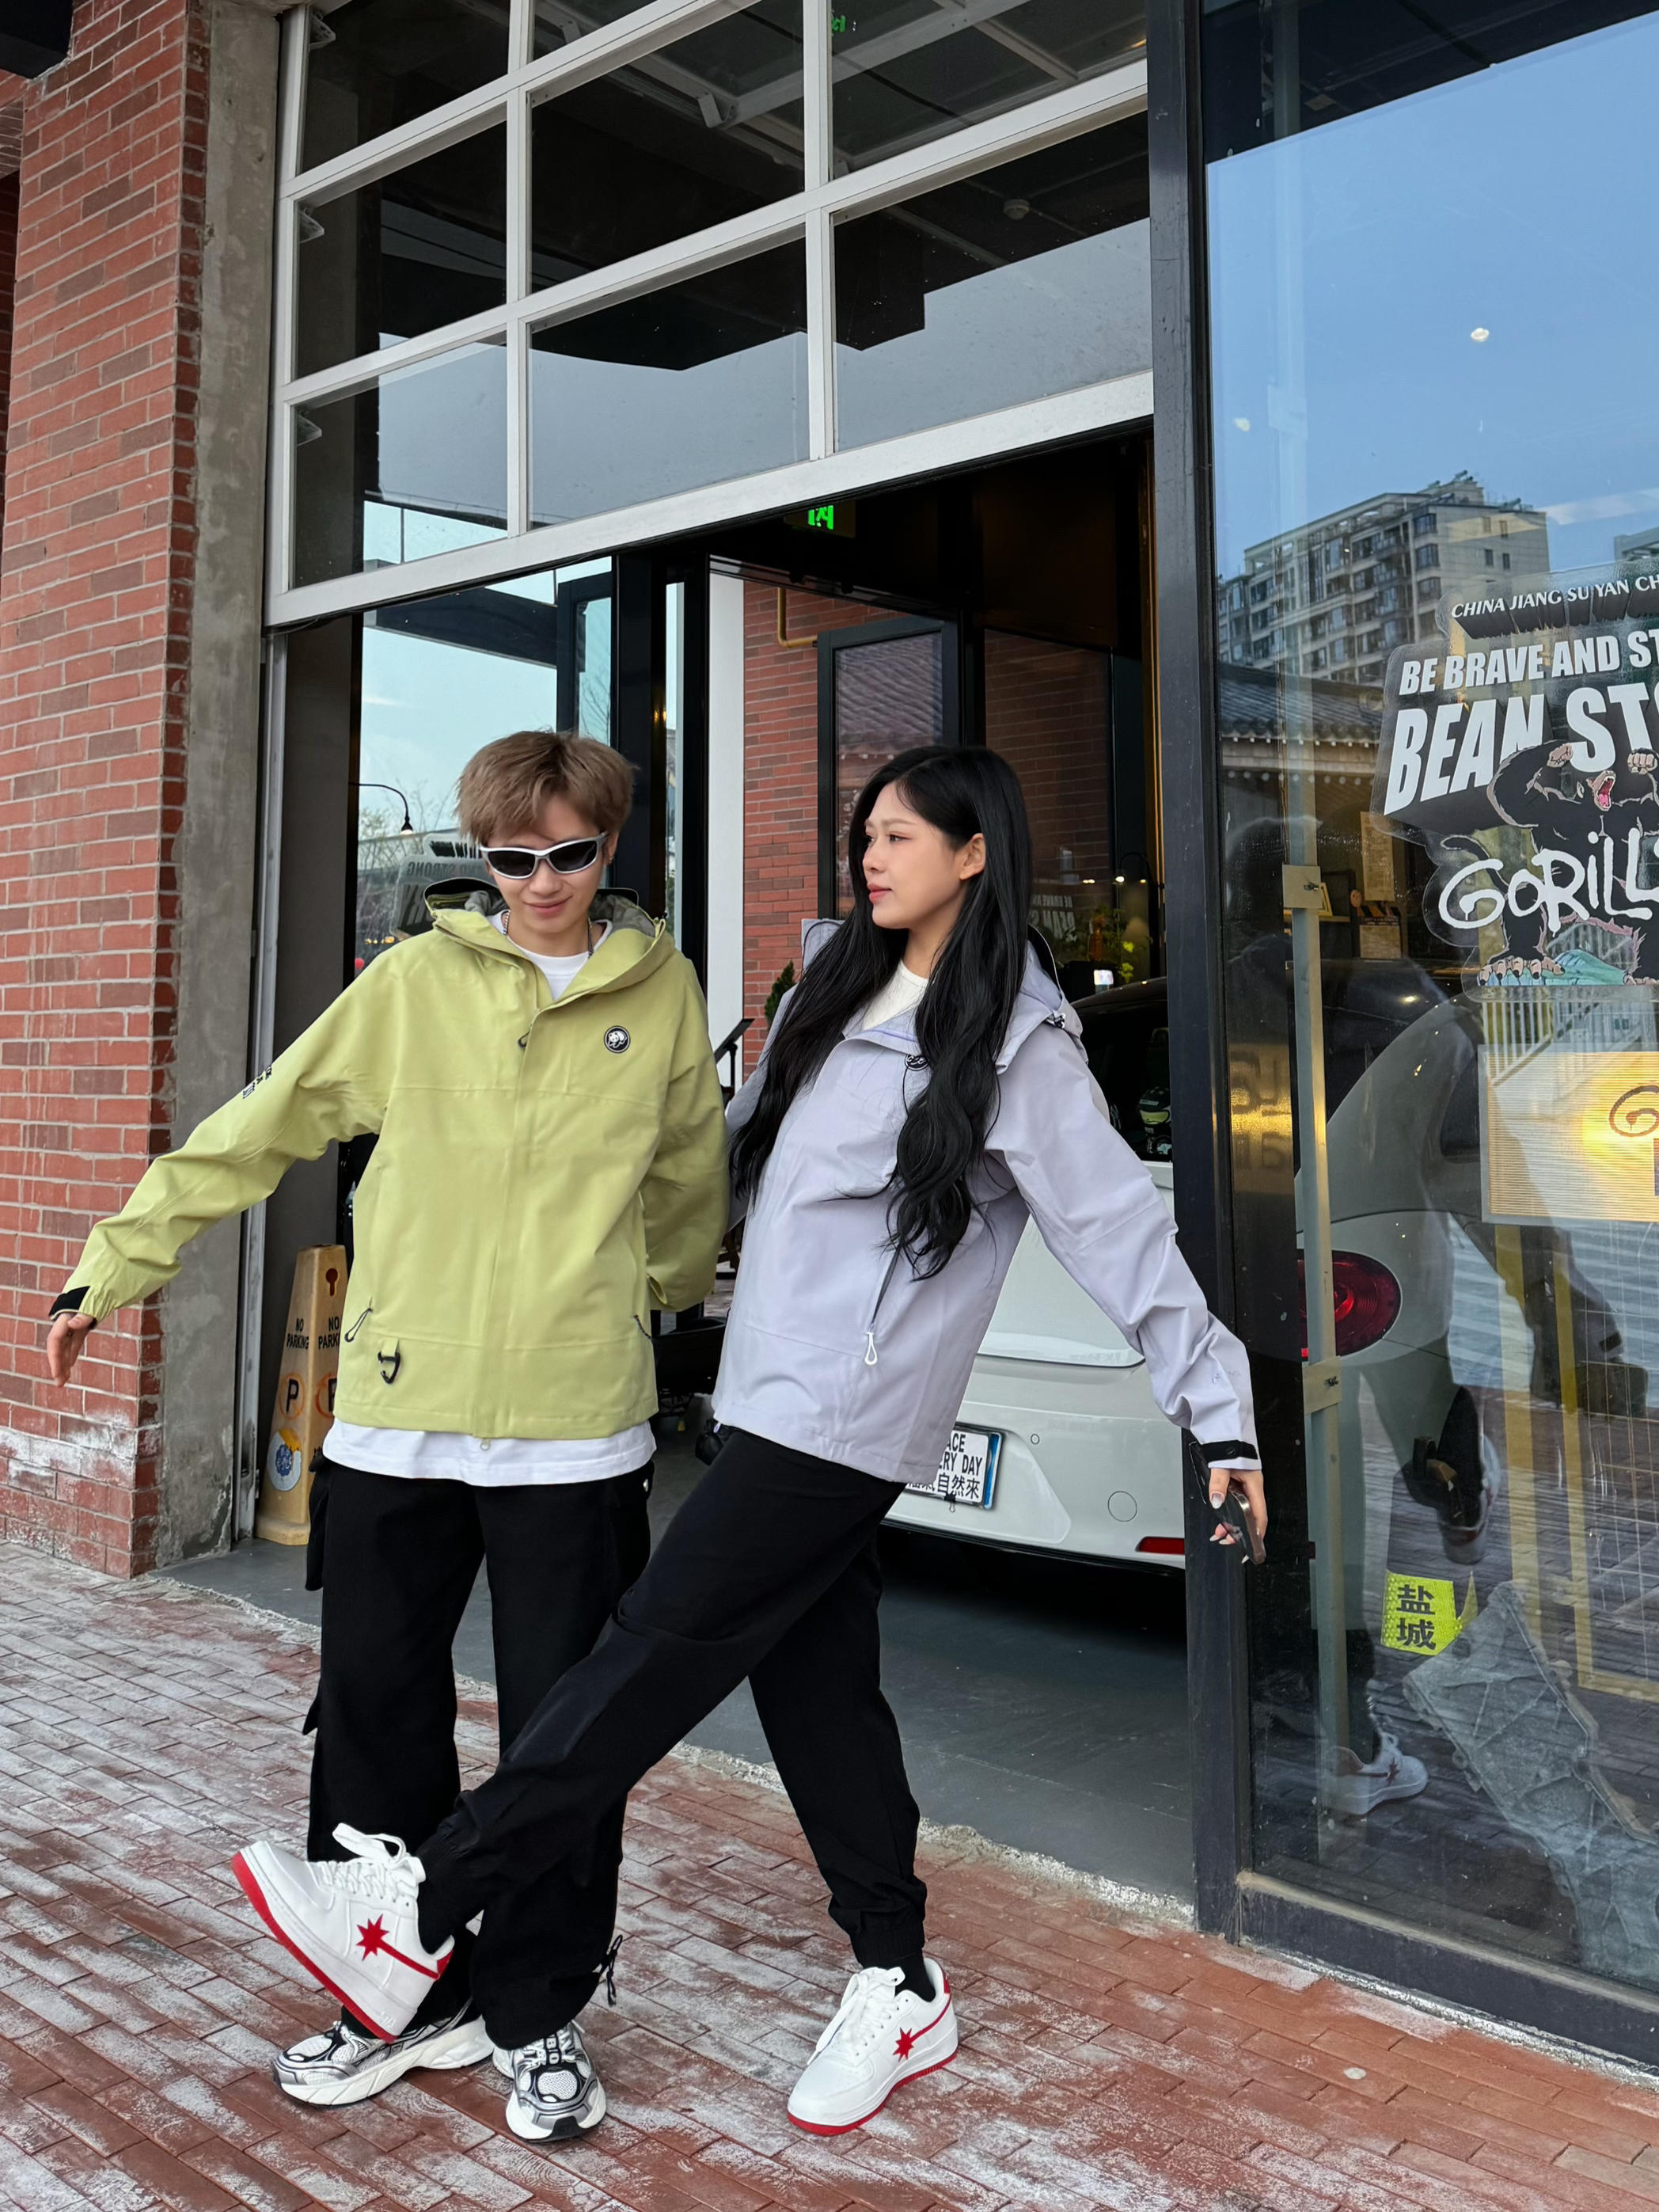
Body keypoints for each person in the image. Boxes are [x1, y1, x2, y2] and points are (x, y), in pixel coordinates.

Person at [235, 745, 1265, 2138]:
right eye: (865, 833)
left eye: (901, 836)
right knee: (820, 1693)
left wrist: (1219, 1413)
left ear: (975, 853)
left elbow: (1122, 1234)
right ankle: (900, 1974)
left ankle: (422, 1904)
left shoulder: (1017, 1044)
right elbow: (722, 1162)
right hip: (766, 1391)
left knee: (648, 1652)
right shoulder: (835, 987)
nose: (871, 855)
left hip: (847, 1417)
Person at [47, 731, 727, 2141]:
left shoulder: (661, 993)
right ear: (484, 857)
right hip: (396, 1423)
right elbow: (268, 1120)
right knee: (372, 1716)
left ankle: (534, 2007)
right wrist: (119, 1258)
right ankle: (394, 1993)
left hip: (574, 1432)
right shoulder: (414, 983)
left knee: (561, 1741)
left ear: (611, 847)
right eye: (512, 857)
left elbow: (684, 1180)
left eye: (571, 853)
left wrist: (649, 1300)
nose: (541, 882)